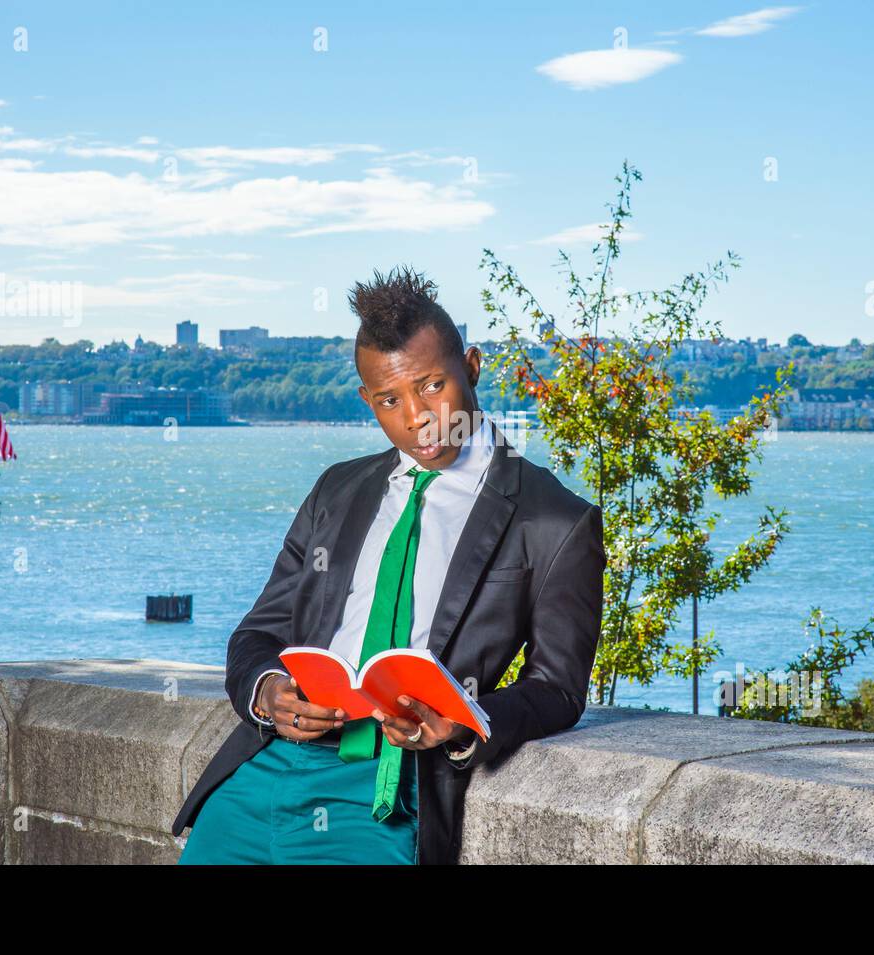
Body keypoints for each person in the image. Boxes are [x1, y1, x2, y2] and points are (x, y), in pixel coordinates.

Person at [173, 265, 605, 865]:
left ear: (472, 368)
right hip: (263, 774)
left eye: (432, 386)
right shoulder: (337, 491)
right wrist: (269, 692)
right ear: (366, 400)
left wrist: (463, 722)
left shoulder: (555, 521)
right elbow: (259, 633)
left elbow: (558, 688)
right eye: (389, 399)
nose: (417, 416)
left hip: (390, 792)